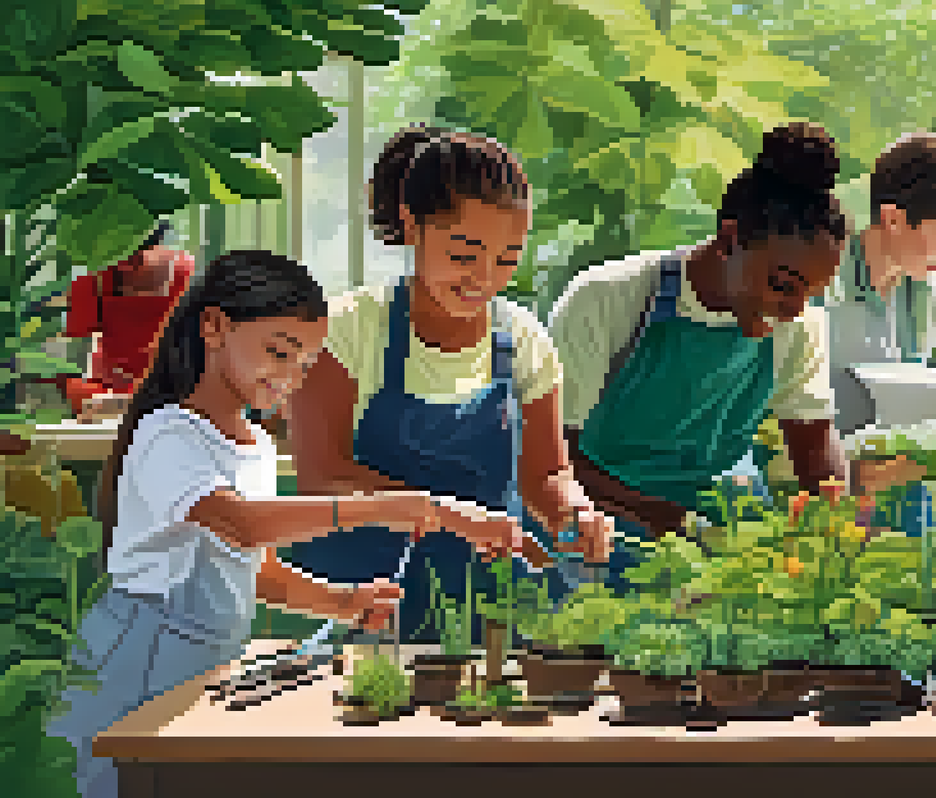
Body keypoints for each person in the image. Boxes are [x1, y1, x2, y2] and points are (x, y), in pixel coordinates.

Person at [46, 250, 532, 798]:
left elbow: (254, 569)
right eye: (278, 353)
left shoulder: (253, 446)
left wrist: (343, 602)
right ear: (213, 327)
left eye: (304, 366)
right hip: (141, 651)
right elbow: (243, 526)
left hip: (208, 659)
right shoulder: (169, 432)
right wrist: (393, 506)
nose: (288, 378)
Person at [284, 126, 611, 640]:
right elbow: (323, 477)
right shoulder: (348, 330)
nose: (483, 277)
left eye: (506, 260)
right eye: (464, 254)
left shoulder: (523, 339)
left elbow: (546, 475)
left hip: (494, 619)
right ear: (412, 225)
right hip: (368, 611)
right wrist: (451, 517)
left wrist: (575, 512)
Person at [549, 122, 850, 580]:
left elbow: (815, 455)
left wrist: (833, 536)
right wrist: (668, 520)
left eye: (808, 294)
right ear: (729, 241)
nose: (793, 309)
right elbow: (554, 462)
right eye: (782, 285)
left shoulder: (798, 326)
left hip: (706, 540)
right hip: (591, 533)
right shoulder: (607, 298)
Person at [823, 133, 936, 536]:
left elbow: (911, 388)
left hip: (895, 474)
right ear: (893, 218)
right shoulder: (821, 281)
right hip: (820, 477)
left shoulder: (927, 288)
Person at [62, 220, 196, 420]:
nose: (126, 265)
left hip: (167, 388)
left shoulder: (187, 274)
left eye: (137, 255)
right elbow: (74, 356)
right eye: (119, 256)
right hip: (107, 392)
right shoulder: (92, 281)